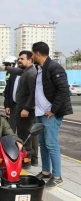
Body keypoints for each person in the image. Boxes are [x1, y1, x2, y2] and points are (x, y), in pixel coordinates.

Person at [32, 41, 73, 187]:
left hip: (50, 114)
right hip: (40, 113)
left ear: (37, 53)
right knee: (43, 143)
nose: (32, 56)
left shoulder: (54, 68)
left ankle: (57, 176)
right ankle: (45, 172)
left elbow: (63, 90)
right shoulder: (40, 68)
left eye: (32, 53)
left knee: (51, 144)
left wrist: (53, 110)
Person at [14, 51, 38, 167]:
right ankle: (30, 160)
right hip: (21, 109)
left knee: (26, 136)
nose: (19, 60)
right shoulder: (26, 72)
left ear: (30, 60)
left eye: (22, 59)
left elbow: (34, 93)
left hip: (26, 111)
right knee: (25, 135)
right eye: (19, 58)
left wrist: (27, 108)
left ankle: (26, 162)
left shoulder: (31, 73)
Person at [1, 58, 22, 132]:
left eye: (23, 59)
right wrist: (7, 105)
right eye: (19, 60)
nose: (20, 62)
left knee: (24, 131)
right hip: (13, 106)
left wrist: (7, 68)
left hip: (25, 108)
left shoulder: (30, 73)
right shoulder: (13, 75)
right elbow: (7, 91)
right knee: (10, 129)